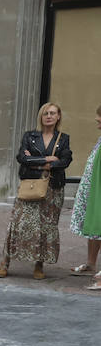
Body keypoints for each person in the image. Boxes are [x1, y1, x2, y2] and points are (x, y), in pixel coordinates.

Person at [0, 102, 72, 280]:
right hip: (30, 185)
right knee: (17, 224)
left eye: (53, 113)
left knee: (45, 227)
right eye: (46, 113)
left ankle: (39, 264)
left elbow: (65, 160)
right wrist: (46, 160)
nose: (49, 116)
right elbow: (22, 157)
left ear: (58, 116)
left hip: (52, 190)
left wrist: (36, 161)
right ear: (41, 116)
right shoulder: (30, 136)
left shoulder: (63, 138)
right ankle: (5, 263)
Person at [69, 103, 101, 290]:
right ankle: (91, 264)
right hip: (93, 188)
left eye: (99, 116)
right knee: (94, 226)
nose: (96, 119)